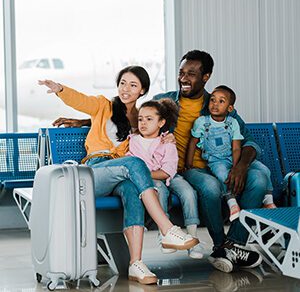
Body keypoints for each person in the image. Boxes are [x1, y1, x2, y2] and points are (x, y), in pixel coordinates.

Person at [51, 50, 266, 274]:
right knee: (197, 184)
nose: (183, 78)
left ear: (206, 77)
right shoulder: (165, 101)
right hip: (181, 169)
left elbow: (133, 120)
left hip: (208, 164)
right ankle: (175, 231)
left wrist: (241, 165)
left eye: (191, 74)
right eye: (181, 72)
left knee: (259, 178)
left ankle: (140, 263)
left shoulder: (215, 103)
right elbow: (115, 114)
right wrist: (85, 118)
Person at [38, 65, 199, 285]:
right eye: (123, 83)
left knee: (132, 190)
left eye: (133, 85)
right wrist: (59, 89)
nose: (126, 89)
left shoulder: (140, 118)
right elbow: (82, 101)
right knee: (134, 163)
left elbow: (150, 134)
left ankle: (136, 264)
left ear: (142, 91)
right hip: (95, 171)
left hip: (121, 174)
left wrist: (165, 138)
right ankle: (167, 227)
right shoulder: (104, 105)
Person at [185, 85, 276, 223]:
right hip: (216, 160)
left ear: (230, 108)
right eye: (212, 100)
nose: (215, 104)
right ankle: (232, 203)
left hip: (234, 157)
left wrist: (236, 166)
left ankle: (268, 201)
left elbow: (236, 148)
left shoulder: (233, 123)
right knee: (223, 174)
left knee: (264, 170)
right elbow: (193, 142)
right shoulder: (202, 122)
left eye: (221, 101)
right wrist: (188, 163)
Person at [126, 99, 204, 259]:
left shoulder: (167, 141)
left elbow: (168, 170)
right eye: (140, 119)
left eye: (149, 119)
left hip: (168, 176)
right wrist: (143, 175)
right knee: (159, 190)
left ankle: (192, 236)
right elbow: (131, 163)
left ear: (161, 122)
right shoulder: (133, 141)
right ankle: (165, 233)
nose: (143, 123)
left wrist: (143, 173)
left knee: (188, 192)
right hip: (152, 180)